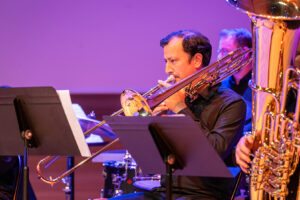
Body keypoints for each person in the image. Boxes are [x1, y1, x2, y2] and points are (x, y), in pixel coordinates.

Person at [110, 30, 246, 200]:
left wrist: (181, 109)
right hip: (165, 192)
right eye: (166, 61)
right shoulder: (176, 99)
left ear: (197, 60)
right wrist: (154, 127)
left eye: (173, 61)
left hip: (203, 195)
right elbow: (154, 162)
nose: (167, 70)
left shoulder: (231, 103)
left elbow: (215, 151)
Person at [217, 28, 252, 134]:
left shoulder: (260, 86)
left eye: (225, 51)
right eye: (219, 51)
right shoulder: (220, 85)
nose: (220, 58)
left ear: (245, 53)